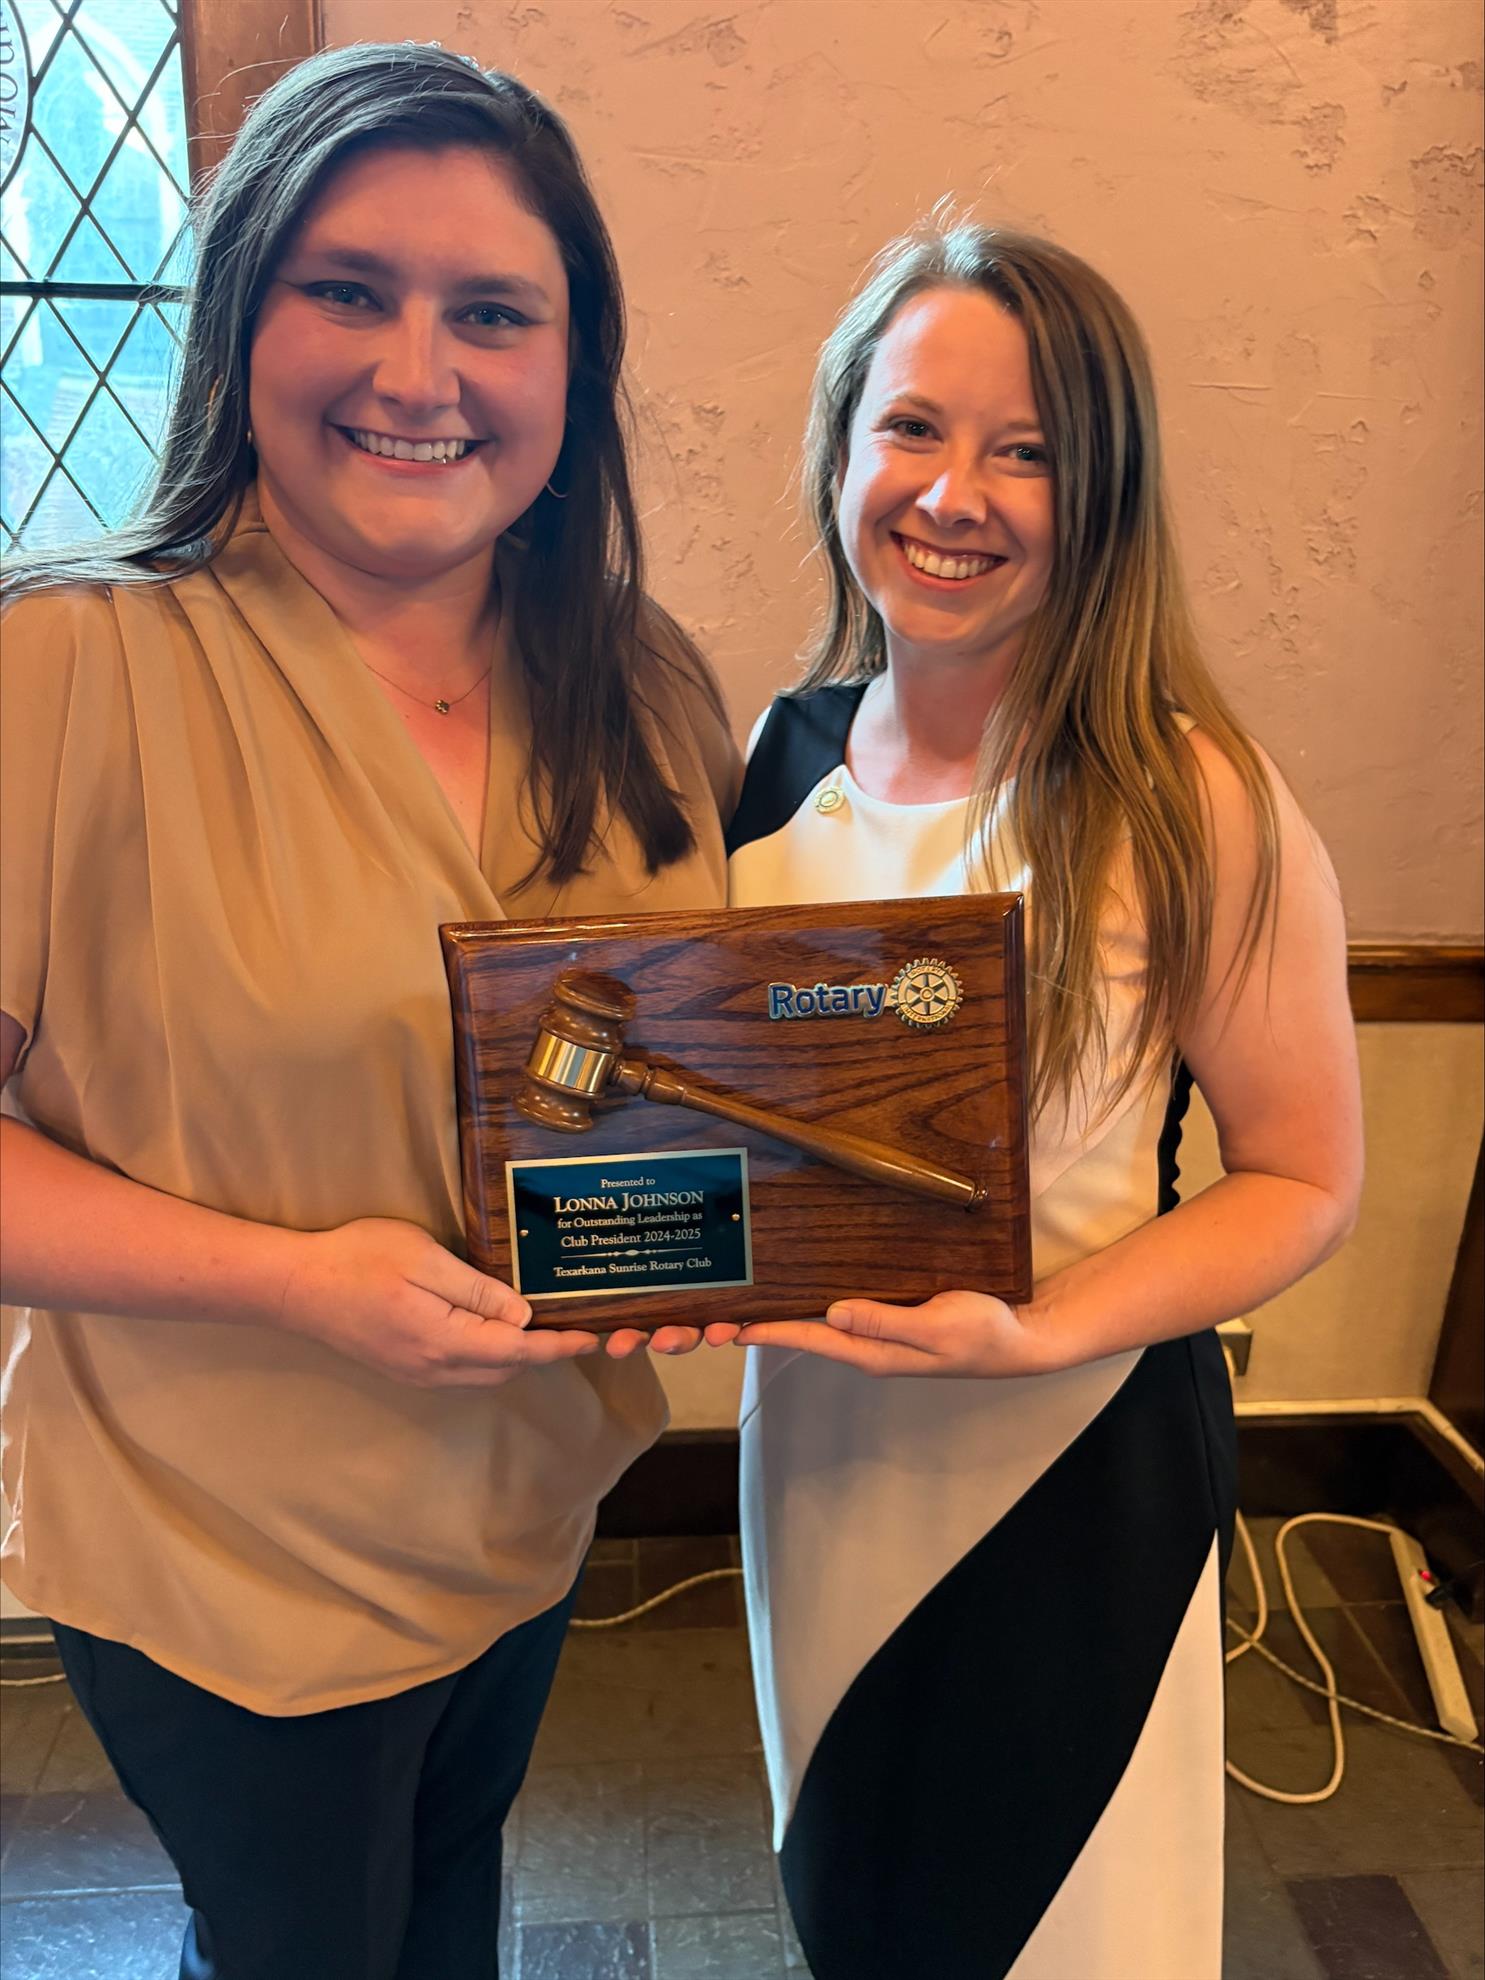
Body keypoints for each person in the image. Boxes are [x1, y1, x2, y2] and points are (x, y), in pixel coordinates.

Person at [0, 43, 737, 1980]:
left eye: (490, 312)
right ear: (243, 316)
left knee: (444, 1913)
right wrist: (290, 1278)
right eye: (349, 290)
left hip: (526, 1500)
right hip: (227, 1543)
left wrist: (690, 1239)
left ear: (571, 371)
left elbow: (658, 1077)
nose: (418, 373)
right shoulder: (64, 666)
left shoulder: (646, 687)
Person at [722, 223, 1362, 1978]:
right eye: (912, 428)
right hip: (826, 1466)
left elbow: (1300, 1181)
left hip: (1072, 1468)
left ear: (1104, 496)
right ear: (842, 449)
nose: (956, 493)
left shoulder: (1186, 792)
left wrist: (1043, 1327)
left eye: (1028, 452)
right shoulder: (773, 762)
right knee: (853, 1900)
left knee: (1067, 1938)